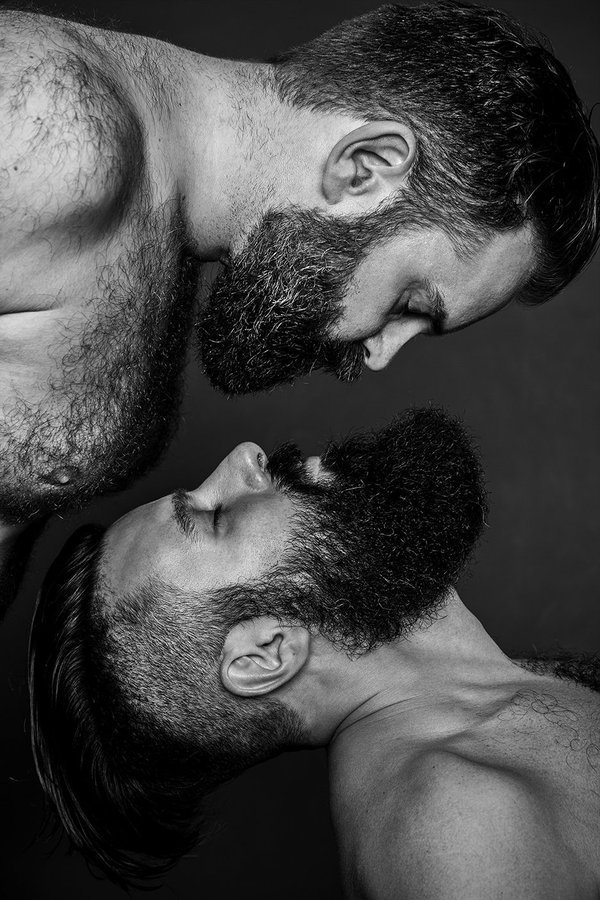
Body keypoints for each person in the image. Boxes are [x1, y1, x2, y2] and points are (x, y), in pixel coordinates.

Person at [1, 2, 599, 609]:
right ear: (366, 167)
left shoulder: (157, 214)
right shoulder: (42, 123)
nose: (380, 354)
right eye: (408, 302)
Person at [29, 408, 600, 897]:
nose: (246, 455)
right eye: (214, 516)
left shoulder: (496, 719)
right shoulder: (453, 835)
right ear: (267, 654)